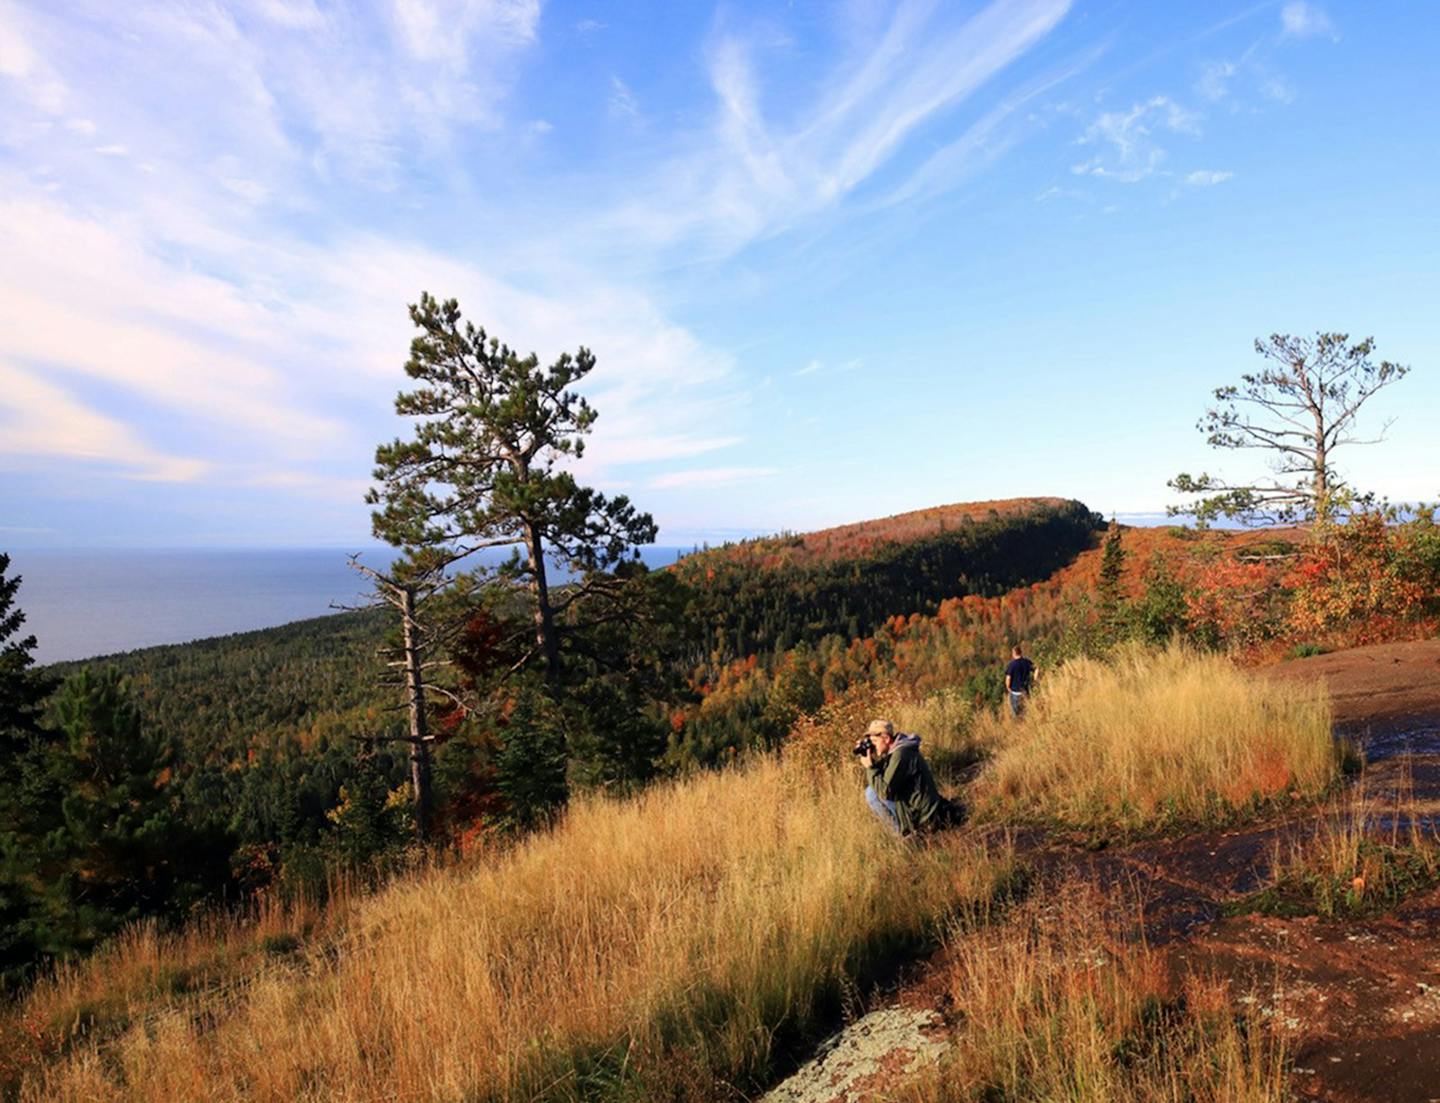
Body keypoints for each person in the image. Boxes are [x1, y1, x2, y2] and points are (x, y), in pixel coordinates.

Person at [857, 719, 964, 837]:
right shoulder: (899, 750)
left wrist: (870, 768)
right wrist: (871, 758)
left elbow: (884, 792)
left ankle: (903, 837)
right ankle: (905, 833)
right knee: (872, 791)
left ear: (886, 739)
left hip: (923, 815)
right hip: (919, 809)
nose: (873, 745)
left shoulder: (901, 754)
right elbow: (886, 777)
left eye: (874, 741)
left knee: (871, 793)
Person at [1004, 644, 1036, 718]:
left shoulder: (1011, 665)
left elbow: (1008, 678)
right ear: (1021, 652)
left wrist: (1008, 688)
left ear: (1013, 653)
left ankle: (1017, 727)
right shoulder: (1027, 662)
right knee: (1025, 713)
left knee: (1015, 714)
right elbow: (1036, 668)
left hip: (1015, 693)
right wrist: (1035, 680)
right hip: (1025, 691)